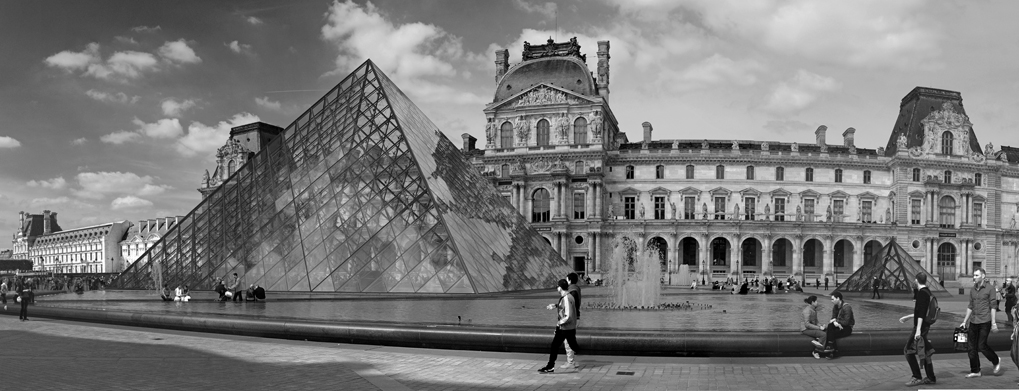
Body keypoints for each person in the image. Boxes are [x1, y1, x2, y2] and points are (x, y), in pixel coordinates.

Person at [960, 268, 1001, 378]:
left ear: (983, 276)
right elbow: (970, 306)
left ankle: (996, 360)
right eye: (974, 275)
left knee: (981, 345)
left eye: (977, 275)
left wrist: (993, 323)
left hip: (985, 321)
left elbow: (993, 307)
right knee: (971, 347)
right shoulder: (972, 290)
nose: (974, 277)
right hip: (973, 321)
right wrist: (964, 321)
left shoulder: (990, 289)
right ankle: (975, 370)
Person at [900, 272, 937, 386]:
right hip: (925, 325)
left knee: (908, 351)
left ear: (916, 280)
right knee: (925, 352)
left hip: (921, 327)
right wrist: (909, 316)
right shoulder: (927, 292)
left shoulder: (922, 293)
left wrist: (918, 330)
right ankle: (931, 377)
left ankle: (916, 376)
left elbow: (921, 313)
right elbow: (922, 311)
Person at [538, 279, 579, 373]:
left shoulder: (566, 298)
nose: (557, 288)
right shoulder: (568, 297)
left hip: (565, 327)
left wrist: (559, 323)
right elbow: (566, 307)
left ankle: (550, 366)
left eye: (557, 286)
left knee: (555, 346)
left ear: (560, 287)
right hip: (569, 327)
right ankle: (550, 366)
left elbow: (568, 315)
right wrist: (556, 305)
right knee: (573, 346)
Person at [562, 272, 582, 369]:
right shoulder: (575, 289)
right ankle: (572, 361)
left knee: (567, 340)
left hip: (569, 318)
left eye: (566, 279)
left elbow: (570, 306)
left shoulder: (572, 291)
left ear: (569, 280)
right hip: (573, 317)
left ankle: (571, 362)